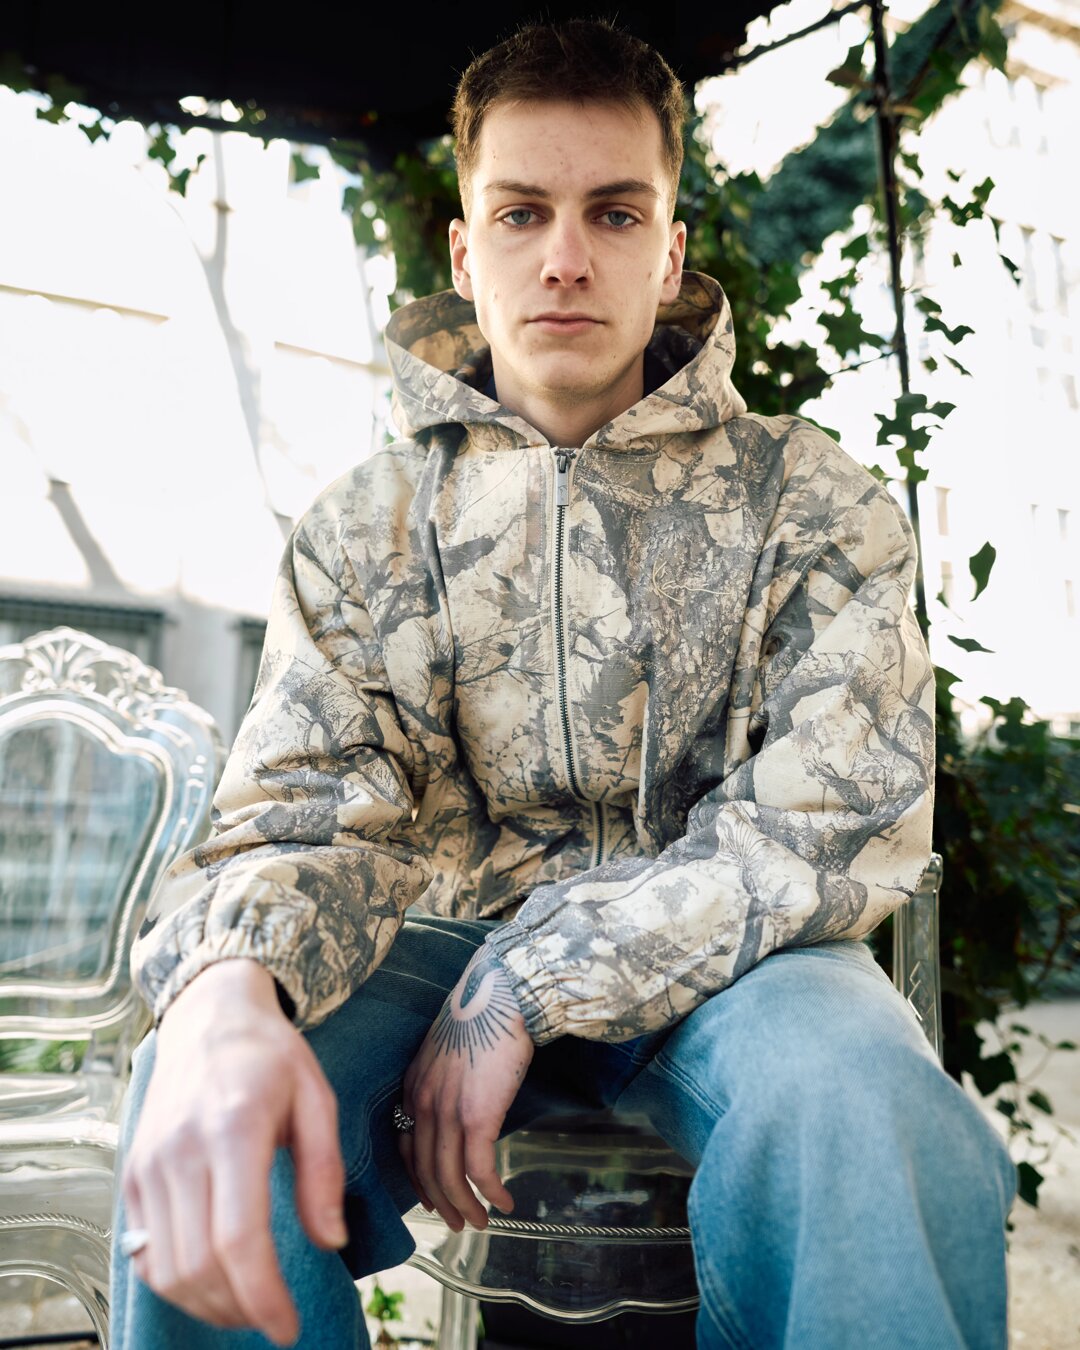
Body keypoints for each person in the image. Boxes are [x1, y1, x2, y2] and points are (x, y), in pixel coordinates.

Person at [110, 19, 1017, 1349]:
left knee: (868, 1103)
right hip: (428, 949)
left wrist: (532, 983)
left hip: (745, 969)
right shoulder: (365, 527)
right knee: (206, 1081)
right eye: (523, 212)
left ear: (671, 252)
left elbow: (825, 825)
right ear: (464, 253)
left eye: (615, 212)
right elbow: (305, 816)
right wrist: (226, 987)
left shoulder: (815, 502)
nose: (567, 257)